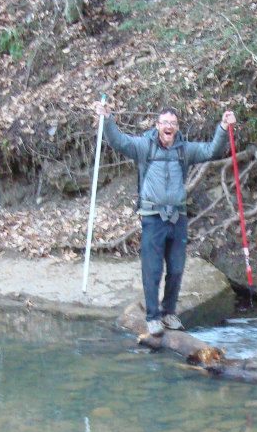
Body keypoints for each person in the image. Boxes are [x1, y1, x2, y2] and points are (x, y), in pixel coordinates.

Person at [94, 100, 237, 336]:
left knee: (177, 268)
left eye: (173, 123)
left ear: (177, 128)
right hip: (152, 217)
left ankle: (169, 312)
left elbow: (212, 151)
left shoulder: (185, 149)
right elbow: (118, 141)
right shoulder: (143, 146)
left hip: (178, 217)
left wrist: (223, 128)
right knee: (152, 269)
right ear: (157, 125)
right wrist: (107, 119)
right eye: (165, 122)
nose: (169, 126)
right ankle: (152, 316)